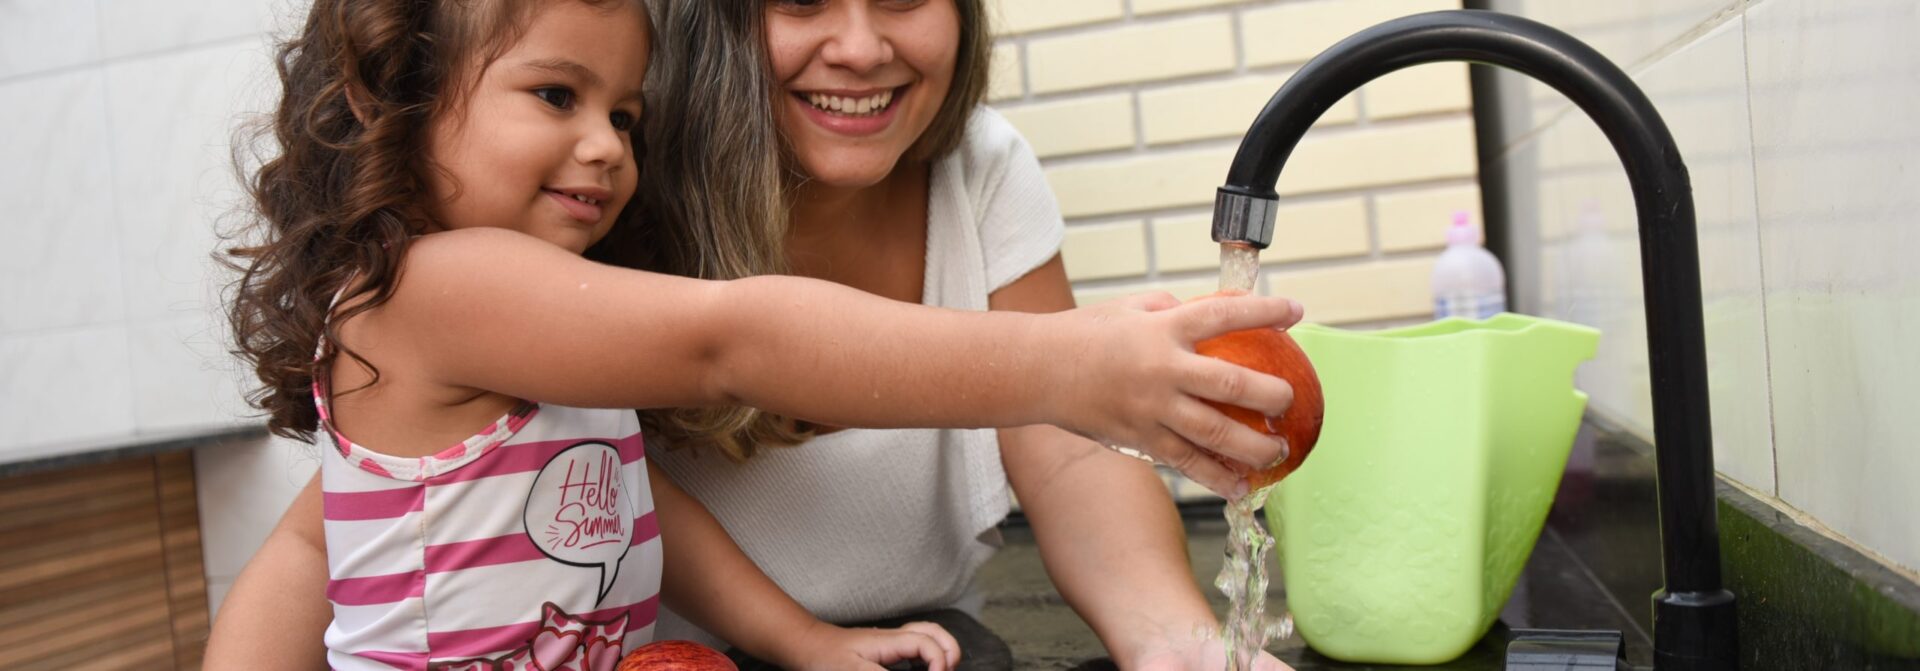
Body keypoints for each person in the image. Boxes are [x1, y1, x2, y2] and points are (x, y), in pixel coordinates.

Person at [204, 0, 1303, 668]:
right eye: (555, 96)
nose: (604, 149)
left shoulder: (543, 279)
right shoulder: (468, 275)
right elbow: (732, 340)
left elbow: (637, 502)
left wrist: (804, 642)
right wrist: (1070, 362)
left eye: (622, 115)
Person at [628, 1, 1297, 669]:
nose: (861, 50)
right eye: (802, 1)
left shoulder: (981, 163)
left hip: (940, 649)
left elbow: (1069, 456)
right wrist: (1068, 364)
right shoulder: (607, 174)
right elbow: (735, 345)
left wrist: (1176, 642)